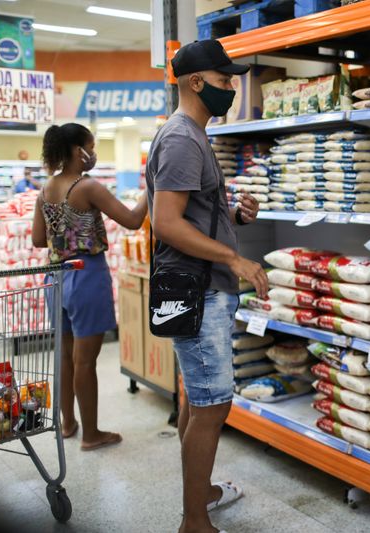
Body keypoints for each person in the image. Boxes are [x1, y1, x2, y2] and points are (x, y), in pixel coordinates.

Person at [145, 39, 268, 533]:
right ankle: (194, 520)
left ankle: (204, 494)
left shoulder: (192, 135)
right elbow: (167, 222)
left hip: (200, 286)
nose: (232, 88)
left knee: (199, 402)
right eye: (224, 81)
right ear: (196, 82)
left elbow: (191, 213)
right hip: (199, 289)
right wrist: (233, 258)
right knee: (212, 406)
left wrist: (232, 215)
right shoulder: (181, 138)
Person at [32, 123, 148, 451]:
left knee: (66, 357)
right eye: (91, 146)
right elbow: (133, 219)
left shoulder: (46, 190)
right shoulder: (88, 187)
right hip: (86, 275)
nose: (93, 153)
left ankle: (68, 423)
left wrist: (63, 232)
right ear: (76, 151)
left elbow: (38, 239)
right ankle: (92, 434)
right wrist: (152, 189)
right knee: (86, 361)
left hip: (54, 278)